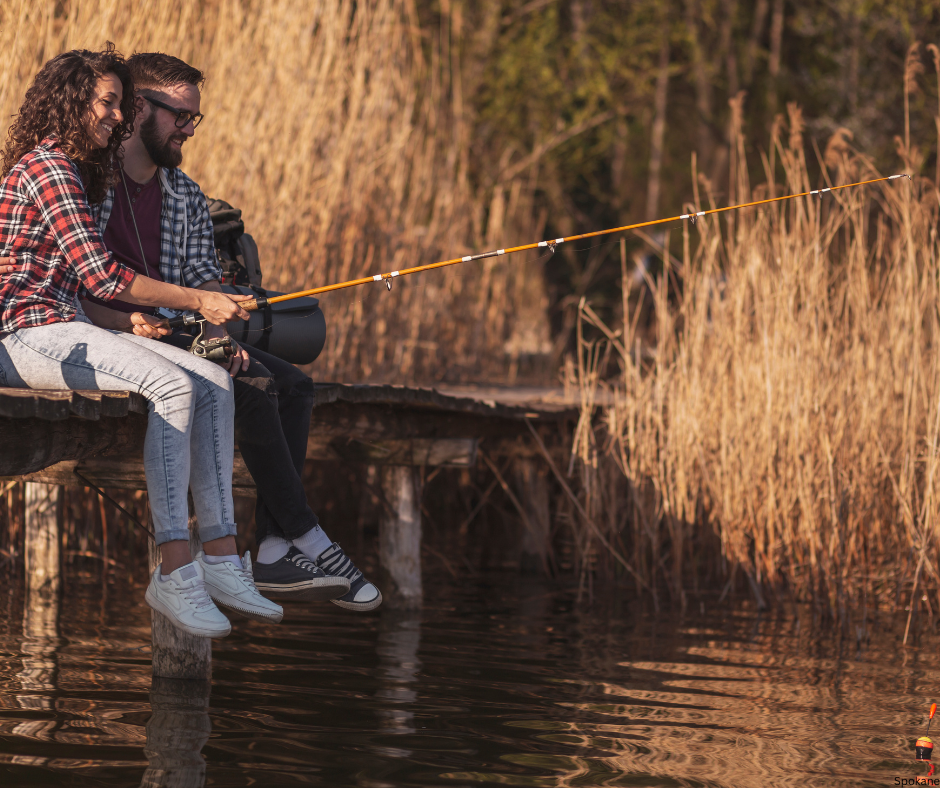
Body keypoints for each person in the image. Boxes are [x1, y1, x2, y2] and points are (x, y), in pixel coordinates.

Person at [74, 52, 382, 611]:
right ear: (138, 107)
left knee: (294, 385)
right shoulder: (90, 181)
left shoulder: (186, 195)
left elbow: (201, 286)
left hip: (174, 336)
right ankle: (306, 537)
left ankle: (272, 545)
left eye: (196, 118)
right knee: (259, 387)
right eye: (179, 116)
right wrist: (188, 320)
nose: (188, 129)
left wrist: (225, 330)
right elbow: (84, 279)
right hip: (109, 334)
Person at [0, 45, 283, 637]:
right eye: (108, 102)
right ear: (72, 100)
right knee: (172, 380)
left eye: (121, 105)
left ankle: (224, 557)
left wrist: (126, 323)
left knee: (211, 379)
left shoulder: (77, 169)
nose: (116, 116)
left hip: (61, 323)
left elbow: (79, 285)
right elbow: (103, 274)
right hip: (20, 333)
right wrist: (198, 300)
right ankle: (174, 570)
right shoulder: (48, 166)